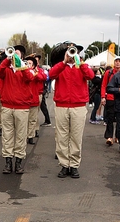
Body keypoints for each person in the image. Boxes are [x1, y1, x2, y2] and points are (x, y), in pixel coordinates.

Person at [49, 41, 94, 178]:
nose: (72, 53)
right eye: (69, 51)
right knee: (62, 137)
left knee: (76, 137)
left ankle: (74, 165)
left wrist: (80, 63)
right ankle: (64, 165)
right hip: (62, 105)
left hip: (78, 105)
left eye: (74, 51)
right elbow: (51, 75)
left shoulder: (82, 66)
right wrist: (63, 63)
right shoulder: (60, 66)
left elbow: (90, 76)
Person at [0, 45, 35, 174]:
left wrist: (21, 65)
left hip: (22, 107)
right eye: (13, 53)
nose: (14, 55)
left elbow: (30, 77)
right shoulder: (6, 69)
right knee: (7, 136)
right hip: (7, 106)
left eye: (16, 53)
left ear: (22, 56)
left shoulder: (26, 68)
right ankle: (8, 162)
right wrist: (7, 60)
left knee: (21, 136)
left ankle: (18, 162)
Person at [101, 56, 120, 146]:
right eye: (116, 61)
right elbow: (104, 85)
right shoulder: (108, 73)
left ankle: (118, 136)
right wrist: (103, 97)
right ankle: (109, 137)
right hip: (110, 98)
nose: (117, 63)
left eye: (119, 61)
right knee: (110, 118)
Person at [25, 54, 47, 145]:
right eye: (27, 63)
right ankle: (25, 135)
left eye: (30, 63)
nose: (28, 64)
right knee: (24, 119)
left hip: (35, 97)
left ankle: (31, 136)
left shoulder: (39, 71)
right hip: (24, 99)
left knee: (33, 118)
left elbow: (43, 77)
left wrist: (35, 72)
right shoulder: (23, 72)